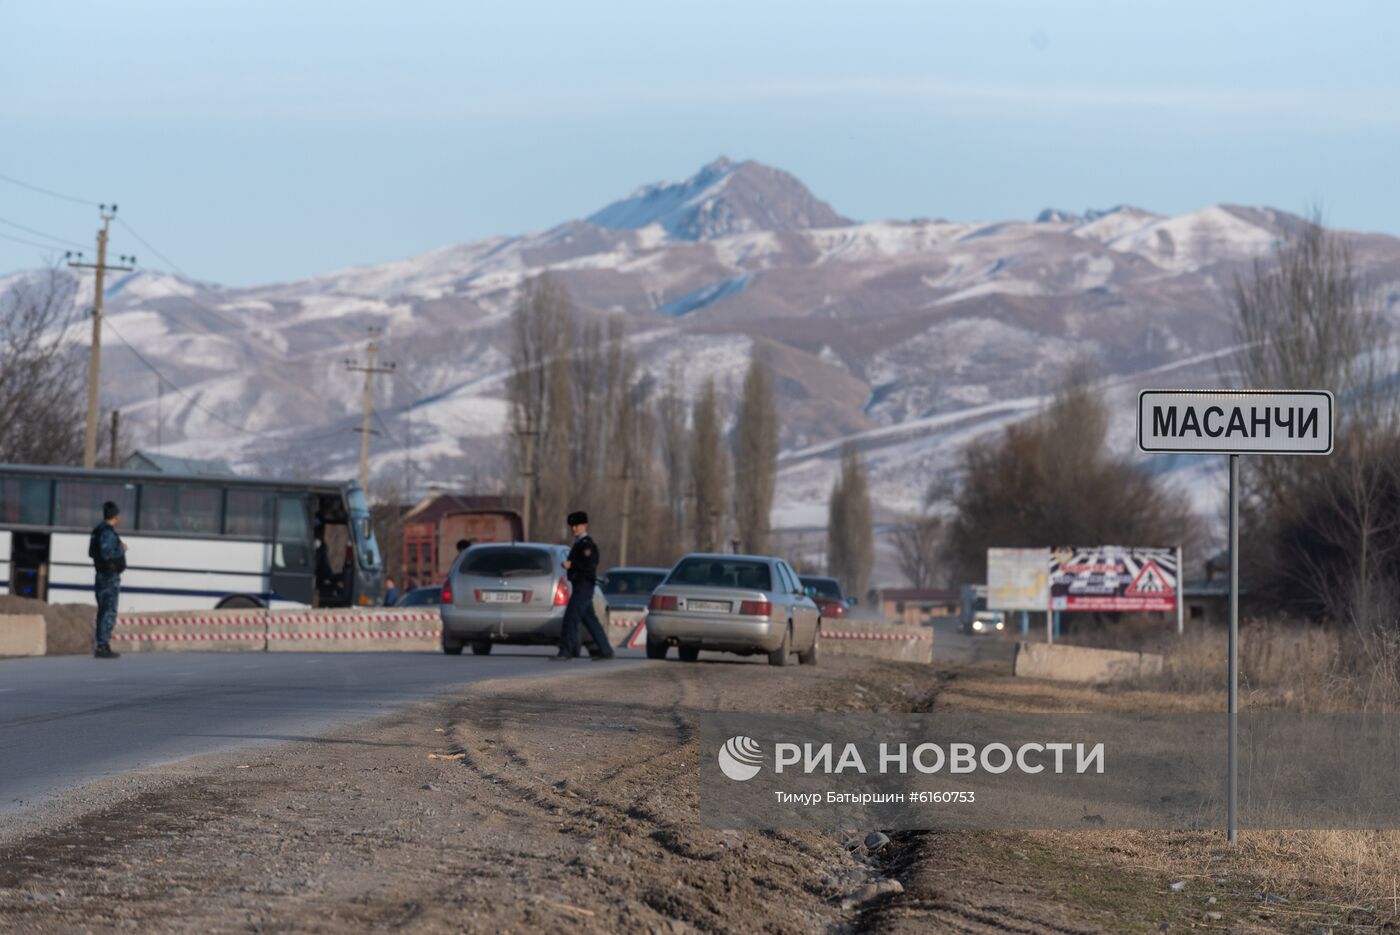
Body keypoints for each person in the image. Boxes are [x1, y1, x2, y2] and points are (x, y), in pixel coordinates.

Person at [551, 511, 613, 662]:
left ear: (584, 525)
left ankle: (565, 651)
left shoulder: (586, 544)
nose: (574, 528)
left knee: (571, 618)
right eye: (572, 526)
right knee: (590, 620)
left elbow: (590, 564)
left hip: (584, 585)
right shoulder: (579, 543)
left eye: (577, 525)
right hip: (580, 585)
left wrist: (571, 564)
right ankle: (606, 651)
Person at [88, 500, 128, 659]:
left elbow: (93, 553)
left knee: (104, 611)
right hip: (108, 577)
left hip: (102, 575)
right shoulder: (107, 532)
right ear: (115, 516)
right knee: (108, 611)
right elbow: (106, 553)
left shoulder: (98, 530)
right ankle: (103, 646)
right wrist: (121, 549)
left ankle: (102, 644)